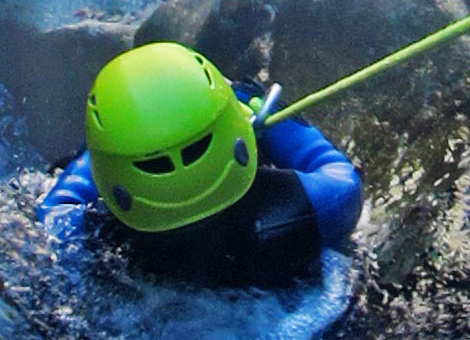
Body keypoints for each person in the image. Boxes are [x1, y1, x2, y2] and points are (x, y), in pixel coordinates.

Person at [36, 41, 363, 287]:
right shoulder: (315, 207)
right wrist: (248, 103)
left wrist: (100, 152)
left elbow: (53, 214)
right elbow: (338, 172)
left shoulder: (93, 240)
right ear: (232, 135)